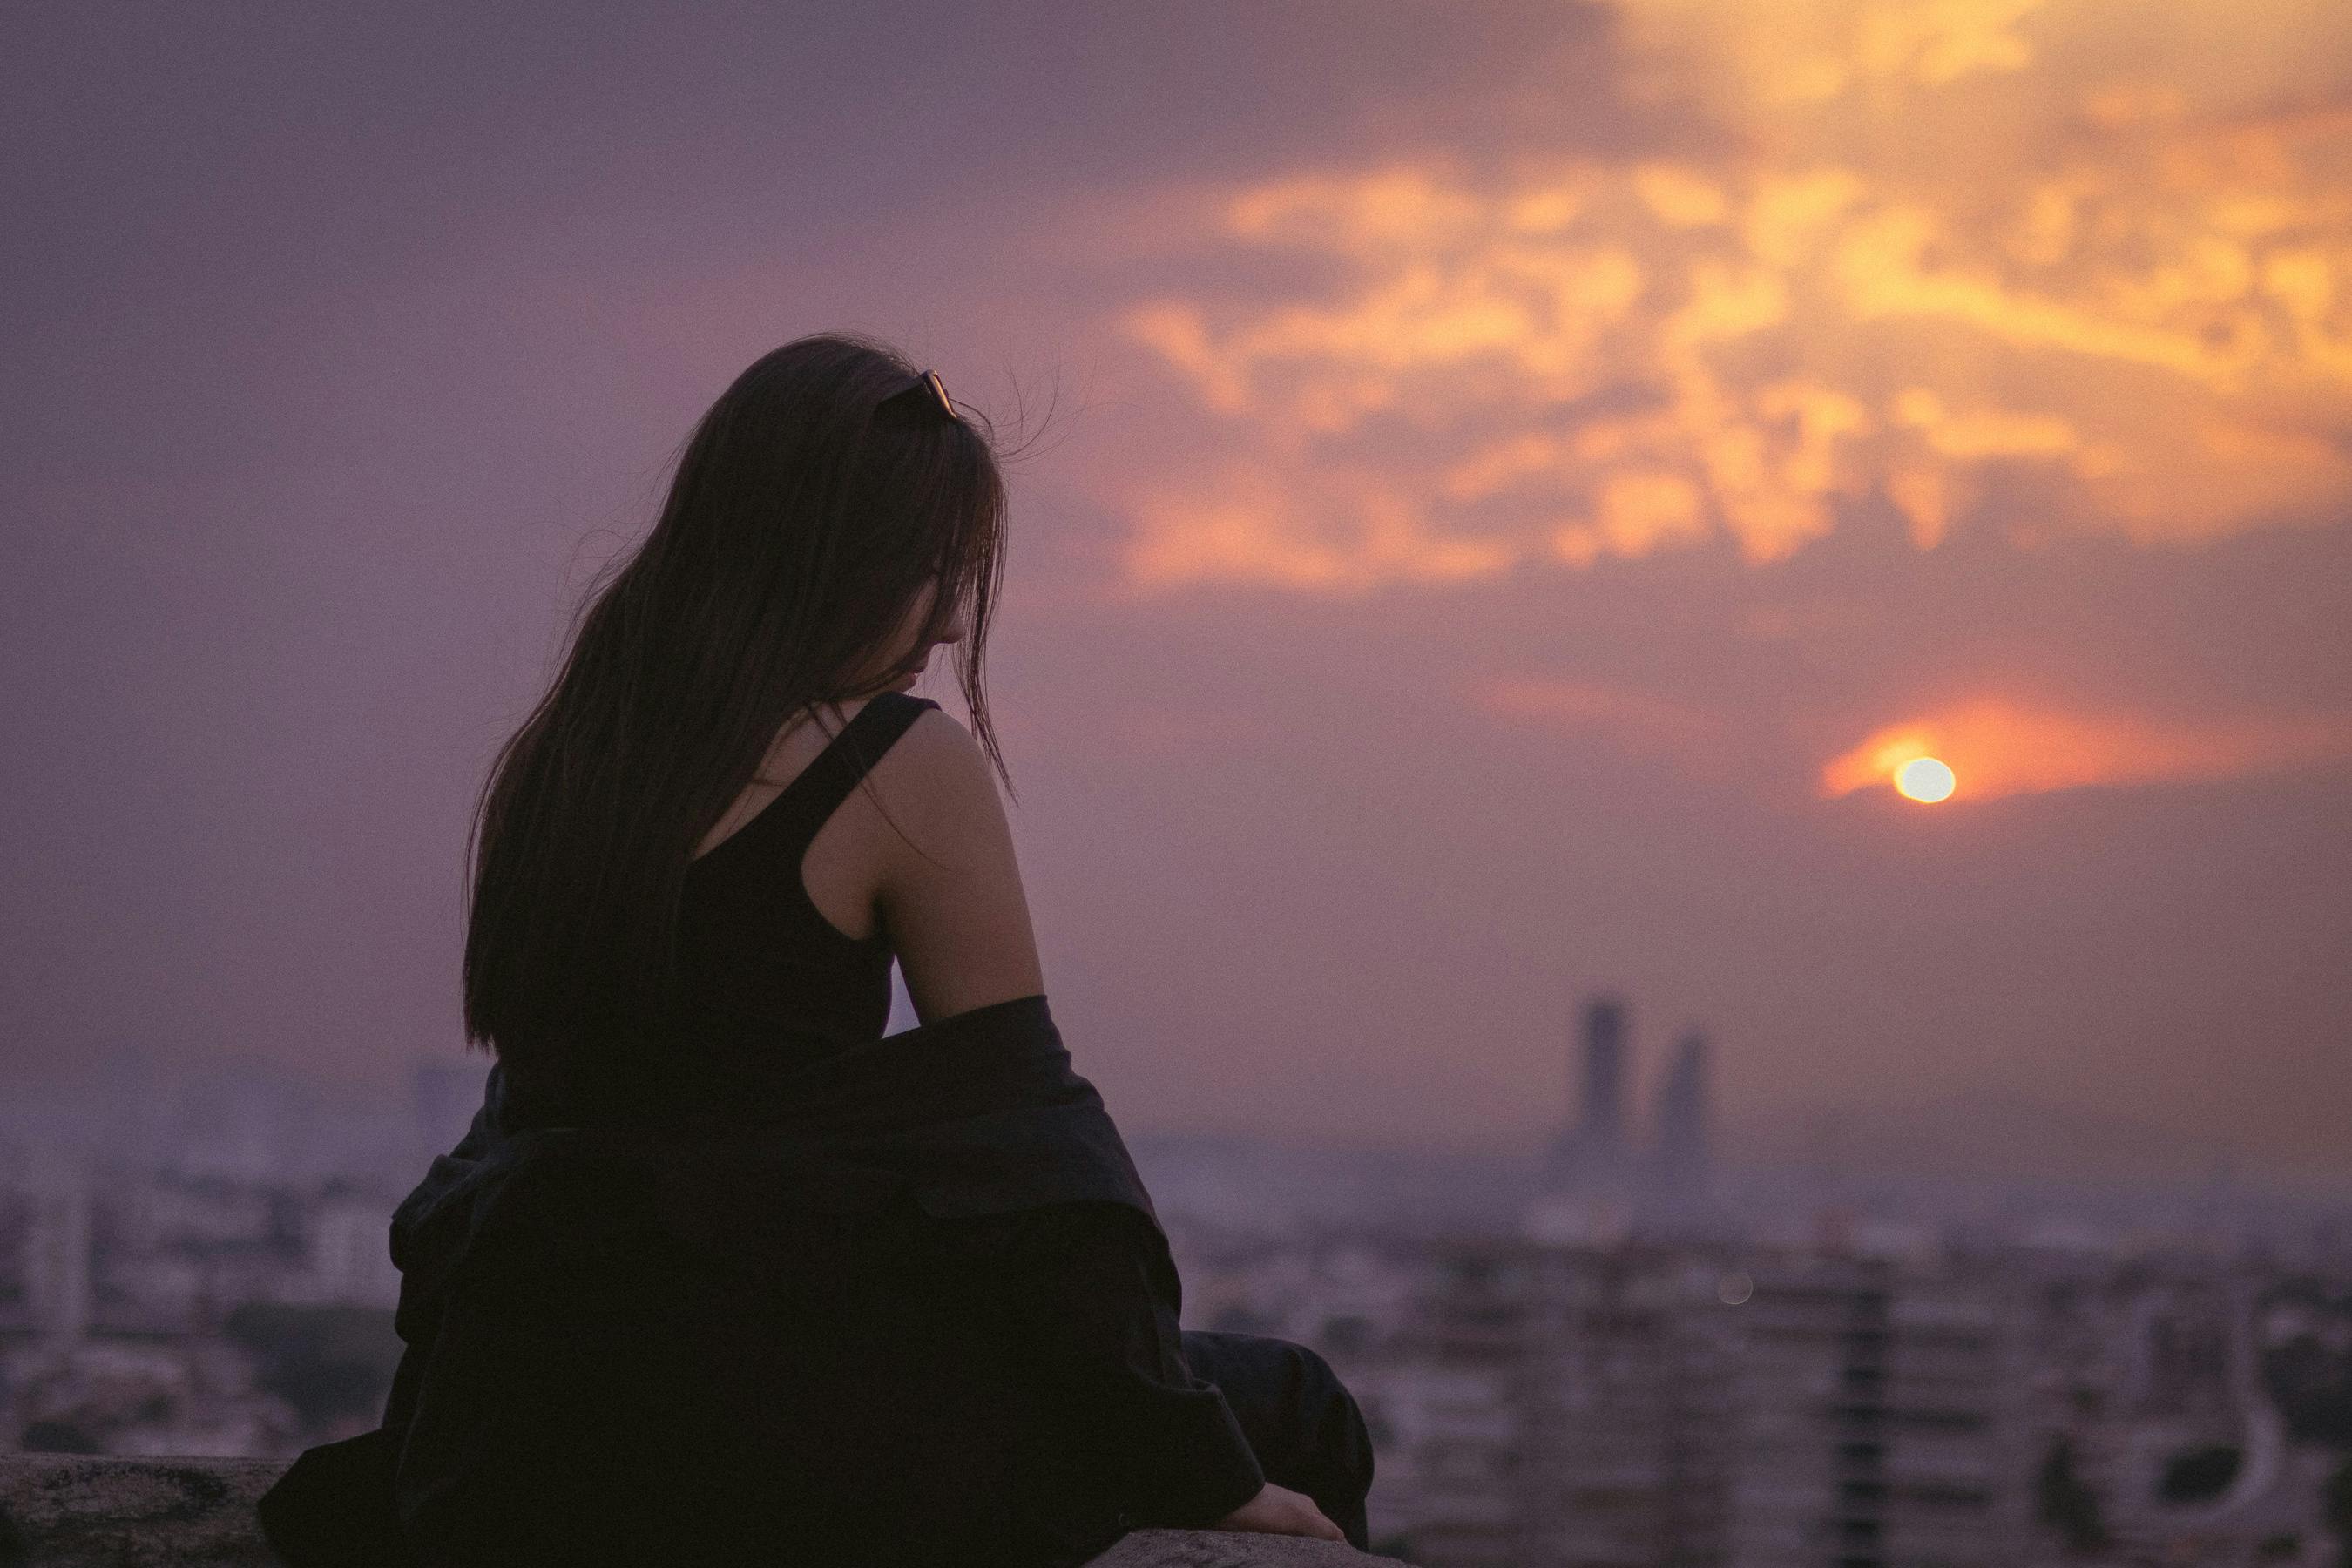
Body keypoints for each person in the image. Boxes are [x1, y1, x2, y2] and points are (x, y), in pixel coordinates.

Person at [254, 334, 1374, 1567]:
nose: (950, 623)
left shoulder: (563, 762)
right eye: (936, 573)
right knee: (1298, 1407)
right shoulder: (896, 766)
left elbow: (530, 1129)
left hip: (522, 1419)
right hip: (763, 1423)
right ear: (837, 560)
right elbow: (1039, 1165)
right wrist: (1190, 1465)